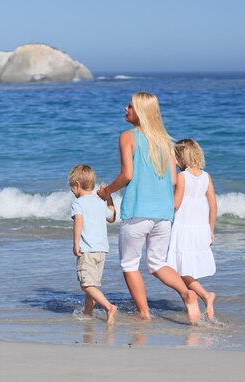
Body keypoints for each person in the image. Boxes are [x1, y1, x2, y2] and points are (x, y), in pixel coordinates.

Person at [97, 92, 200, 324]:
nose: (125, 109)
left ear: (141, 112)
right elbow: (173, 181)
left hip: (137, 211)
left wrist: (106, 192)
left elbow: (127, 175)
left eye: (130, 106)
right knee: (157, 264)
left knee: (129, 264)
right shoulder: (166, 141)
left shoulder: (128, 137)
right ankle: (187, 293)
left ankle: (144, 314)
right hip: (163, 214)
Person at [167, 139, 217, 319]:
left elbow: (176, 203)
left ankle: (204, 295)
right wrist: (211, 230)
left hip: (183, 227)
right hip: (201, 228)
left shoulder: (182, 177)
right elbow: (213, 206)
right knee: (185, 268)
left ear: (181, 157)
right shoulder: (206, 176)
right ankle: (194, 300)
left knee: (179, 269)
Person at [68, 164, 118, 324]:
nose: (71, 191)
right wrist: (108, 196)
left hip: (87, 250)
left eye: (71, 187)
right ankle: (88, 313)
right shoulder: (99, 202)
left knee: (86, 285)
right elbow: (112, 217)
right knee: (92, 285)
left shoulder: (78, 203)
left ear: (77, 184)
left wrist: (76, 243)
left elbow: (79, 223)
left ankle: (109, 307)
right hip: (102, 251)